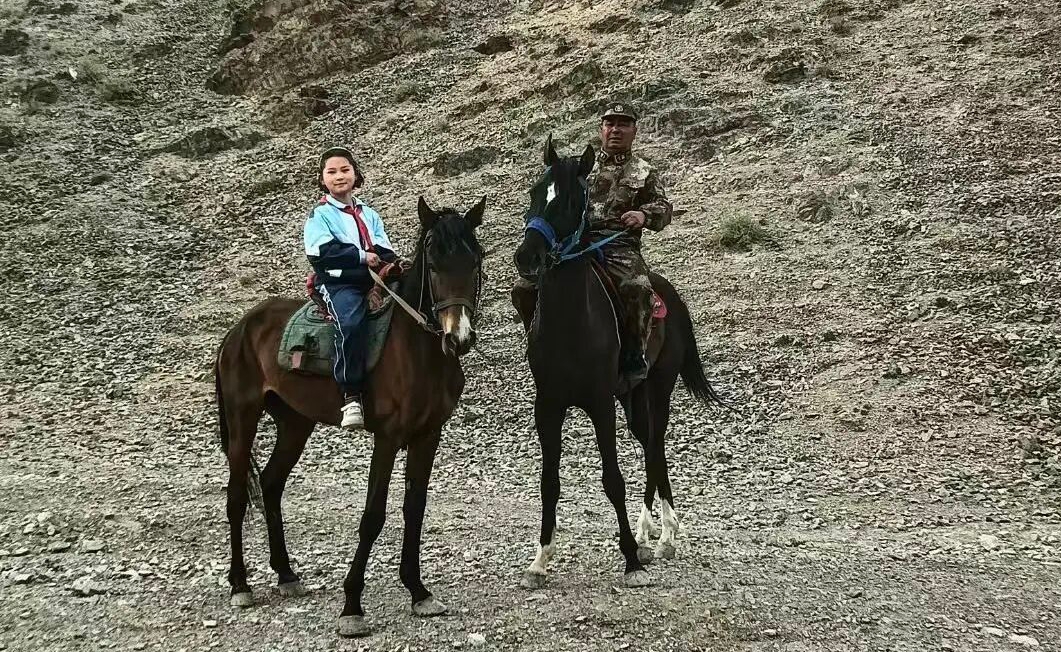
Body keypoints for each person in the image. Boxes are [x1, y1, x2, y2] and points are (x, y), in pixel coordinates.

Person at [516, 102, 673, 385]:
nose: (616, 130)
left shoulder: (643, 171)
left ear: (634, 131)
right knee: (524, 288)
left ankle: (634, 355)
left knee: (637, 287)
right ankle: (537, 342)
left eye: (623, 124)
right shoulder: (580, 168)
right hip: (574, 244)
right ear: (601, 130)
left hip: (618, 245)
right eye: (610, 124)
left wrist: (643, 215)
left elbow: (663, 207)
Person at [303, 146, 397, 429]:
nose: (339, 176)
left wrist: (396, 263)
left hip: (373, 277)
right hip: (340, 281)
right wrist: (361, 256)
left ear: (356, 174)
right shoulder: (320, 215)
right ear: (322, 179)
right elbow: (321, 252)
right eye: (331, 172)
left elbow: (382, 246)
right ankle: (351, 395)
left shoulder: (369, 213)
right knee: (351, 321)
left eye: (345, 170)